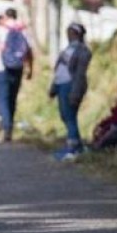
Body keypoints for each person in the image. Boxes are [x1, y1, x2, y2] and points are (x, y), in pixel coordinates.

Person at [0, 8, 33, 142]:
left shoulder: (0, 30)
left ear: (6, 17)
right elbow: (29, 52)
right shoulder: (23, 30)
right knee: (12, 98)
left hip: (1, 68)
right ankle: (10, 126)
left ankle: (7, 128)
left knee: (3, 99)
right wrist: (30, 68)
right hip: (18, 68)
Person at [50, 23, 92, 160]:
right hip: (61, 84)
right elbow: (59, 69)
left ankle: (73, 147)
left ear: (76, 34)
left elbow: (80, 74)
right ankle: (77, 144)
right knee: (65, 115)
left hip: (71, 85)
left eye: (70, 32)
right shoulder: (67, 49)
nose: (68, 35)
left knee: (69, 116)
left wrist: (76, 91)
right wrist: (53, 87)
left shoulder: (83, 51)